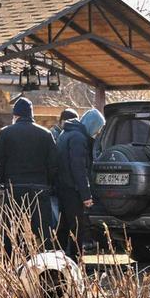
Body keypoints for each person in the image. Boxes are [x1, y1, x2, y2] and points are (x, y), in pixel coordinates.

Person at [0, 96, 60, 246]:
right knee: (43, 232)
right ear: (31, 115)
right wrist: (47, 182)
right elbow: (54, 164)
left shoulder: (6, 132)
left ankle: (10, 264)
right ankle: (46, 264)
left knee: (11, 231)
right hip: (39, 189)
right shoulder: (46, 134)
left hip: (15, 188)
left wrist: (3, 179)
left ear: (16, 115)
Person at [53, 106, 105, 256]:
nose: (98, 132)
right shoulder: (78, 138)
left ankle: (59, 259)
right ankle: (76, 262)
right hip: (73, 190)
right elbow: (79, 168)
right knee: (76, 228)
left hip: (63, 188)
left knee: (63, 227)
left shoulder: (66, 133)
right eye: (98, 128)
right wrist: (86, 195)